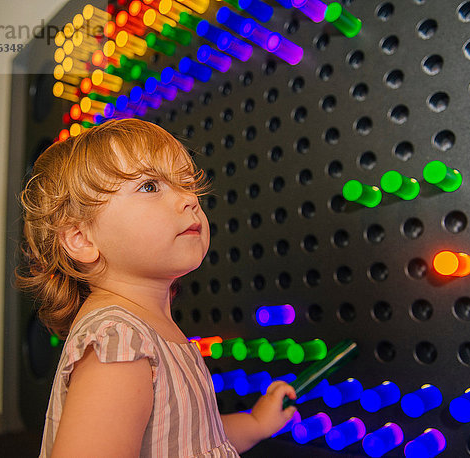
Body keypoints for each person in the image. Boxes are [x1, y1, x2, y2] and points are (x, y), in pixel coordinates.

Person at [17, 118, 297, 457]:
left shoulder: (147, 333)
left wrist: (254, 423)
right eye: (150, 186)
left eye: (188, 184)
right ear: (81, 239)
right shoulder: (119, 341)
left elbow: (190, 439)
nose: (189, 200)